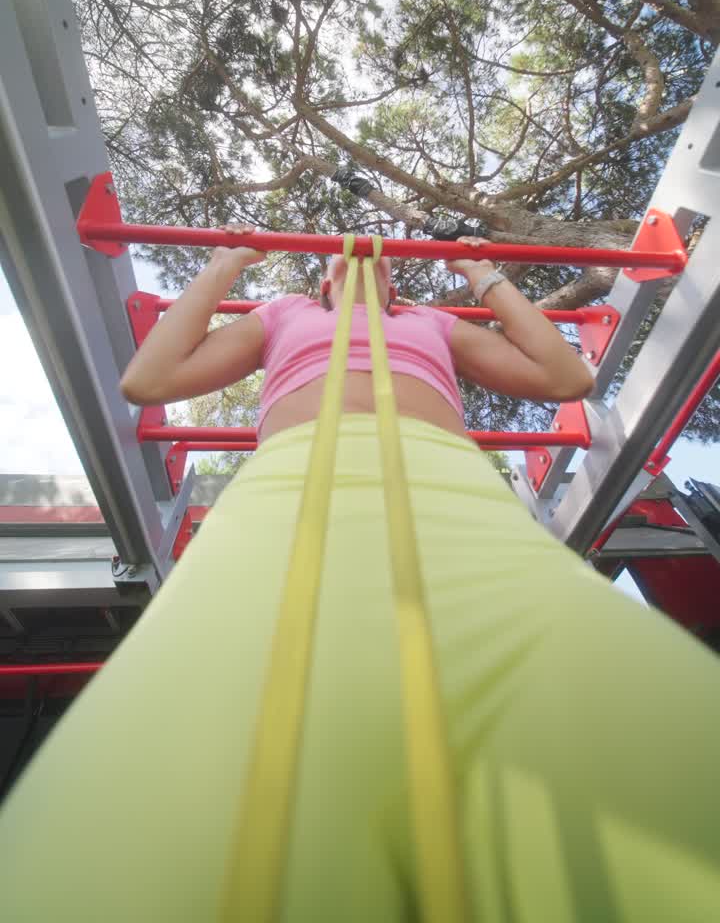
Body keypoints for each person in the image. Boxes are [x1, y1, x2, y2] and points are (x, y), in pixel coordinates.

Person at [1, 227, 719, 923]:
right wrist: (227, 264)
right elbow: (147, 379)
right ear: (322, 273)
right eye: (342, 250)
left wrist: (481, 276)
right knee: (206, 673)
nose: (362, 252)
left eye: (381, 254)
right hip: (287, 484)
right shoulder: (281, 315)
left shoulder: (432, 322)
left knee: (575, 654)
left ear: (395, 277)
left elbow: (567, 378)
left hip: (447, 482)